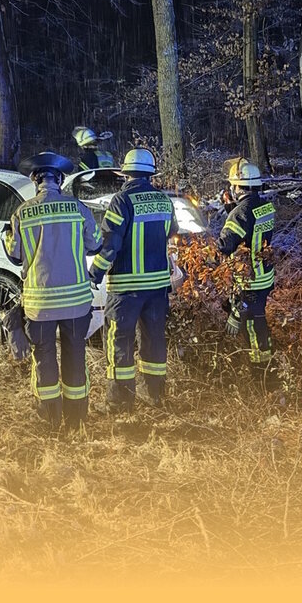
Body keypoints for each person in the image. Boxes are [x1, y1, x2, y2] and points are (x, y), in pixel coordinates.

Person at [3, 152, 103, 431]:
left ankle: (49, 419)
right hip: (76, 304)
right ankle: (76, 419)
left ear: (35, 181)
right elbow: (95, 243)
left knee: (44, 357)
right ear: (59, 180)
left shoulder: (22, 212)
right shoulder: (77, 208)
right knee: (75, 356)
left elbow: (14, 254)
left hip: (40, 304)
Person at [88, 147, 178, 411]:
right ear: (150, 174)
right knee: (154, 339)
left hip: (127, 289)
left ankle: (119, 401)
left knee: (119, 341)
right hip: (158, 287)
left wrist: (95, 273)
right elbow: (171, 231)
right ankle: (155, 395)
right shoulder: (164, 200)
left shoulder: (121, 200)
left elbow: (110, 243)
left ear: (126, 174)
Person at [215, 157, 275, 366]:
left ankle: (260, 369)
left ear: (238, 187)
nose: (231, 189)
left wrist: (210, 253)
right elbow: (250, 226)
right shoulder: (265, 206)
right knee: (258, 317)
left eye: (233, 185)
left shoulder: (240, 213)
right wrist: (231, 208)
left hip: (248, 280)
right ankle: (267, 361)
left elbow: (226, 245)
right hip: (264, 276)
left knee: (250, 325)